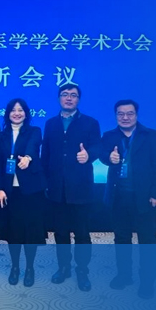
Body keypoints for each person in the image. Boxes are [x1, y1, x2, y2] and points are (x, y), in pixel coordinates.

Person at [100, 99, 156, 299]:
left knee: (147, 240)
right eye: (120, 114)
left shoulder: (152, 136)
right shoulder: (109, 135)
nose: (125, 117)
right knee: (121, 238)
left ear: (136, 115)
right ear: (116, 116)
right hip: (118, 197)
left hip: (144, 198)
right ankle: (124, 275)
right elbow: (102, 155)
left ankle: (147, 281)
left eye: (129, 113)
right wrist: (108, 158)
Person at [42, 83, 101, 291]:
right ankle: (63, 267)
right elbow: (46, 154)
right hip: (57, 189)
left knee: (82, 233)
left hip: (81, 188)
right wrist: (45, 182)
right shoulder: (51, 123)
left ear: (78, 99)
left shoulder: (90, 123)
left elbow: (98, 147)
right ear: (59, 98)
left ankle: (82, 270)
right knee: (61, 232)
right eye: (65, 94)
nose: (69, 98)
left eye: (73, 95)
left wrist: (89, 155)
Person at [0, 98, 46, 287]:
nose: (17, 113)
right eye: (13, 110)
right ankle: (15, 267)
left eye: (20, 110)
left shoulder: (34, 131)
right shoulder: (1, 136)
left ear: (26, 113)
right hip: (10, 190)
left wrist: (28, 158)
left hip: (31, 189)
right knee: (14, 231)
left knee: (31, 231)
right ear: (8, 114)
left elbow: (33, 145)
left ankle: (30, 268)